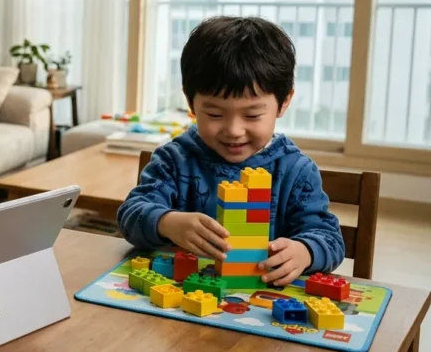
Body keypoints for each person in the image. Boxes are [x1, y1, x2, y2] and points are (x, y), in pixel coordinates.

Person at [116, 16, 344, 286]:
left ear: (284, 103)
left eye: (252, 115)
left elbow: (329, 237)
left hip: (259, 306)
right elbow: (130, 214)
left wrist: (304, 252)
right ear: (190, 103)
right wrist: (167, 222)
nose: (233, 130)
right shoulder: (174, 160)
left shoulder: (296, 171)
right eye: (214, 113)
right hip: (181, 300)